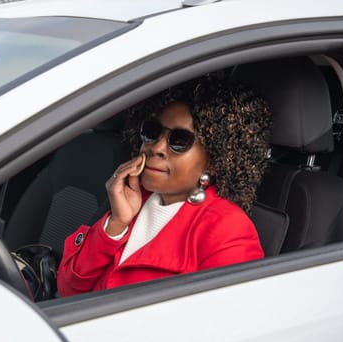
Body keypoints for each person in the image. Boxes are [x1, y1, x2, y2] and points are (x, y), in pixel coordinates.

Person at [57, 74, 272, 297]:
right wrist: (116, 224)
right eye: (152, 131)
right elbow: (69, 290)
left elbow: (225, 323)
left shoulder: (227, 229)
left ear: (214, 162)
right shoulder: (133, 200)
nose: (156, 147)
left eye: (179, 141)